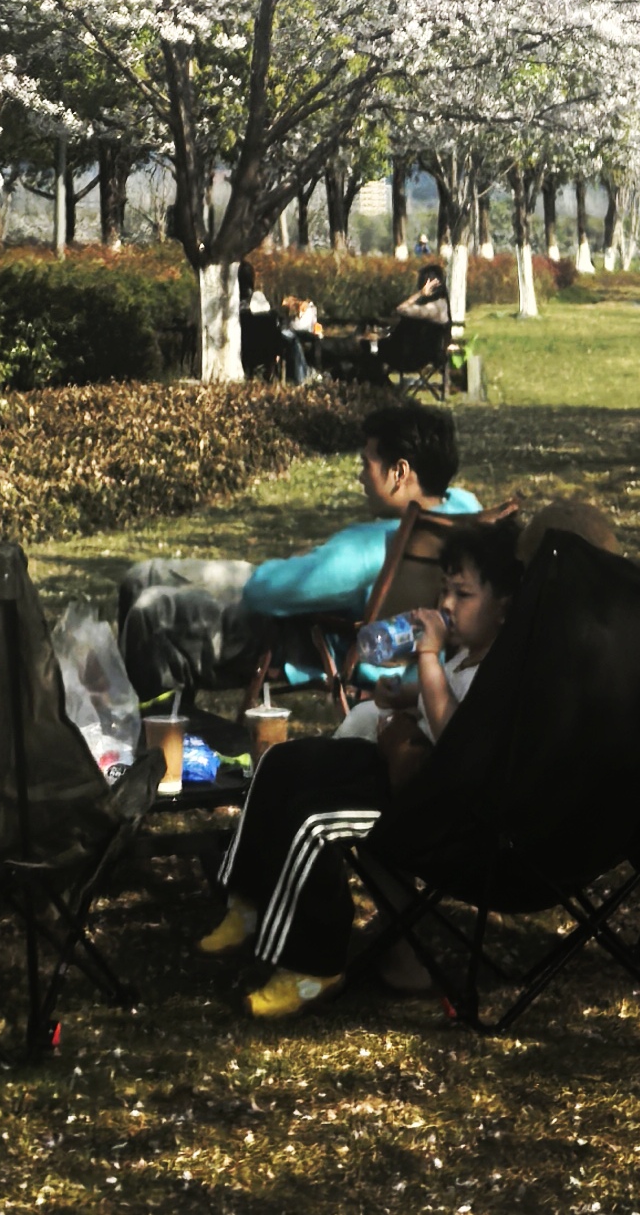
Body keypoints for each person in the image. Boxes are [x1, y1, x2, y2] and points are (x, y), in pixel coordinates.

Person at [197, 515, 524, 1021]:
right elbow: (435, 695)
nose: (446, 605)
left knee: (313, 820)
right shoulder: (465, 656)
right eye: (444, 590)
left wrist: (428, 656)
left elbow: (456, 739)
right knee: (281, 764)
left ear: (504, 607)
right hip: (401, 772)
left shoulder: (499, 669)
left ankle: (314, 965)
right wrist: (402, 692)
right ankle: (248, 900)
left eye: (462, 594)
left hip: (437, 806)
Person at [118, 402, 478, 712]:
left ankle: (146, 727)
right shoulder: (463, 511)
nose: (360, 476)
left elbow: (262, 591)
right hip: (313, 599)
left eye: (366, 463)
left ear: (399, 472)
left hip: (303, 634)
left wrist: (303, 561)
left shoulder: (367, 550)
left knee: (152, 612)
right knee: (143, 575)